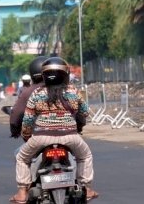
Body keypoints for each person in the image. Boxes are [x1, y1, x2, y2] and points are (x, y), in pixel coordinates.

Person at [11, 57, 98, 203]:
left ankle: (21, 192)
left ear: (44, 75)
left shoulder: (37, 93)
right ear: (66, 74)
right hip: (70, 137)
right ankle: (87, 188)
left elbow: (28, 120)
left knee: (21, 158)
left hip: (41, 137)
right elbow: (85, 112)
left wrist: (26, 136)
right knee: (85, 156)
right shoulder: (72, 91)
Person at [9, 56, 46, 139]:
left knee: (20, 152)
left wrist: (14, 130)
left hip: (37, 137)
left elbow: (16, 113)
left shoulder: (27, 92)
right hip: (68, 137)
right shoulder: (67, 90)